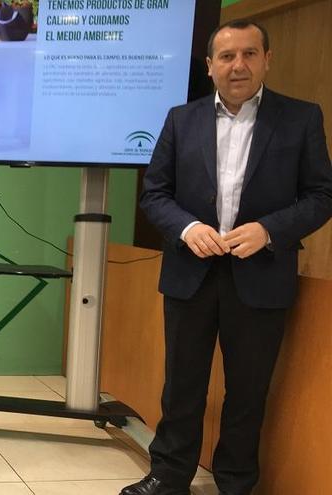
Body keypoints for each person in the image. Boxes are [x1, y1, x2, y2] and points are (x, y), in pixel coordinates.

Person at [122, 20, 332, 495]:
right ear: (210, 66)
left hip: (262, 274)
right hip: (189, 273)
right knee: (181, 383)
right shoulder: (181, 119)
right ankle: (168, 474)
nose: (238, 65)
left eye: (249, 54)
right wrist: (189, 227)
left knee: (248, 389)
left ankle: (236, 482)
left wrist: (269, 230)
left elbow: (321, 195)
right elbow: (155, 193)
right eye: (227, 56)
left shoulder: (301, 118)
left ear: (267, 60)